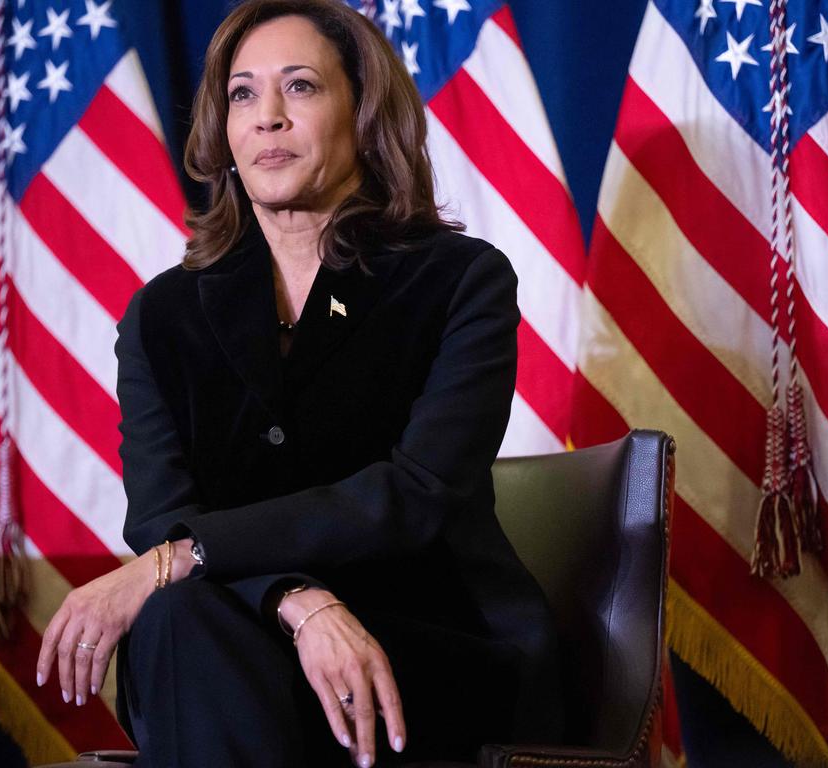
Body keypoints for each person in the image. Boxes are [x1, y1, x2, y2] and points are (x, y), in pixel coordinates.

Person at [35, 1, 562, 765]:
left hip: (425, 647)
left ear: (365, 112)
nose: (267, 117)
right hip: (237, 631)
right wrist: (295, 599)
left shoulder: (458, 281)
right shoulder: (162, 316)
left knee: (181, 612)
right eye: (243, 94)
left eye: (302, 87)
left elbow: (414, 494)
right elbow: (162, 518)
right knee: (178, 622)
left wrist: (190, 556)